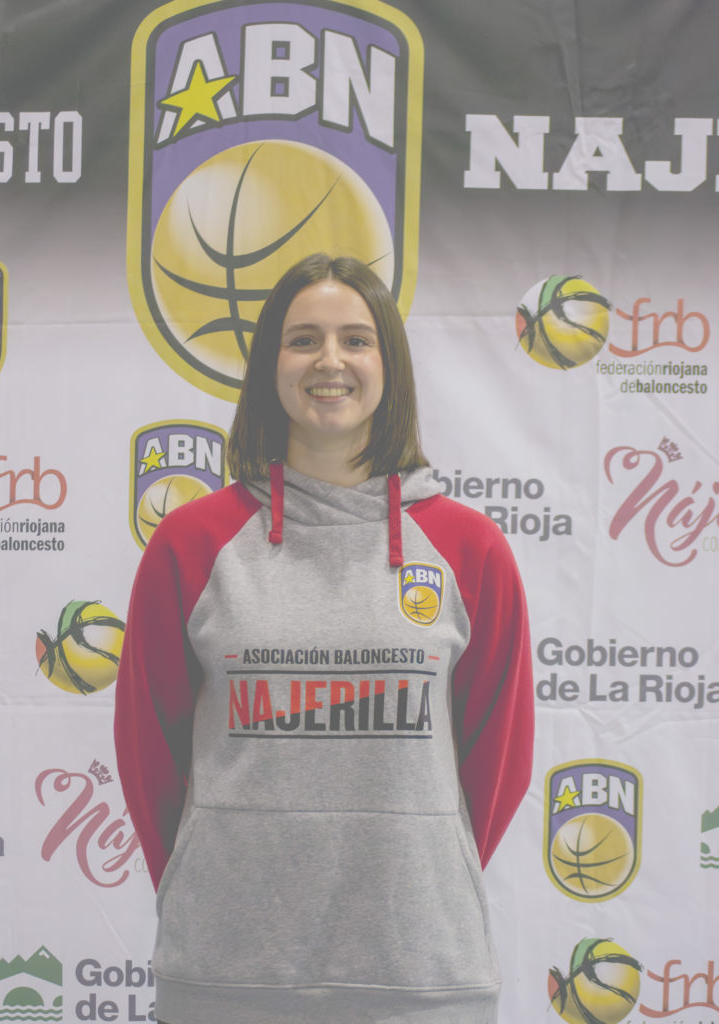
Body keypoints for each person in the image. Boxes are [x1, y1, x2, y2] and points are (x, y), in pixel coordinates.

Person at [114, 253, 534, 1024]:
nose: (329, 360)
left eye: (355, 340)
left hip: (421, 975)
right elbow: (150, 755)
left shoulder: (469, 548)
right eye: (303, 339)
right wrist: (203, 884)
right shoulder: (191, 542)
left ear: (388, 366)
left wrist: (423, 864)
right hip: (225, 973)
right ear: (269, 366)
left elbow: (496, 761)